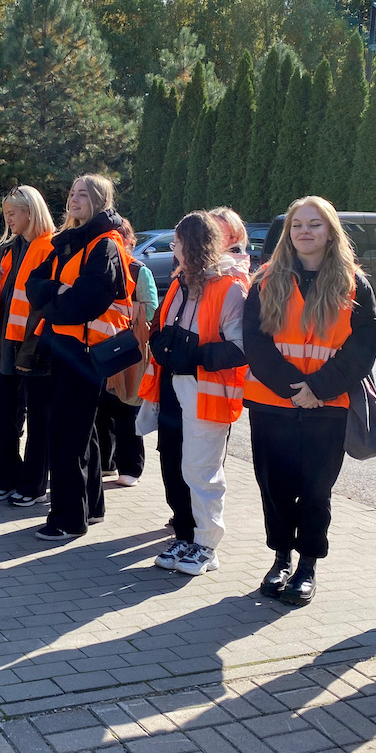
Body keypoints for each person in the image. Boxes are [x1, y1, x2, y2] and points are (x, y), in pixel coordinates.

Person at [243, 196, 376, 605]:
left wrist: (318, 388)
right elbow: (255, 342)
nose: (305, 231)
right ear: (288, 233)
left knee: (316, 490)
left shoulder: (355, 283)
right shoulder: (265, 279)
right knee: (275, 486)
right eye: (298, 225)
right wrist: (294, 388)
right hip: (273, 403)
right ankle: (281, 557)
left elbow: (363, 347)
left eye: (314, 225)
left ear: (330, 231)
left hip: (328, 405)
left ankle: (307, 566)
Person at [138, 211, 248, 575]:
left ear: (194, 246)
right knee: (172, 462)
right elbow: (162, 326)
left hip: (207, 391)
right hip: (173, 387)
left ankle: (207, 545)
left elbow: (241, 347)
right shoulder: (178, 283)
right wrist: (158, 342)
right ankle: (184, 534)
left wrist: (195, 355)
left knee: (201, 470)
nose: (174, 251)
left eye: (177, 244)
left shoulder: (230, 287)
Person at [26, 175, 133, 541]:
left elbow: (86, 300)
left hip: (85, 353)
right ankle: (91, 506)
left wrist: (52, 304)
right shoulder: (71, 242)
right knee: (80, 433)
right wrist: (57, 290)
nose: (74, 199)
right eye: (72, 193)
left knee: (67, 435)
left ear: (99, 201)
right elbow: (33, 284)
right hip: (67, 349)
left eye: (83, 194)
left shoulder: (103, 245)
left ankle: (68, 520)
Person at [0, 186, 56, 505]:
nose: (7, 219)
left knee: (37, 419)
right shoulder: (9, 249)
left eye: (12, 213)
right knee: (2, 415)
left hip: (34, 349)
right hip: (3, 348)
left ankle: (33, 485)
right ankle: (6, 477)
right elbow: (0, 296)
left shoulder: (52, 249)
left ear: (30, 213)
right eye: (6, 213)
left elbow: (46, 302)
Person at [96, 218, 158, 487]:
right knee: (102, 407)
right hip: (102, 344)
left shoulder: (138, 269)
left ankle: (131, 468)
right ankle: (105, 464)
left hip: (129, 346)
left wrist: (130, 312)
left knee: (127, 407)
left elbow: (152, 308)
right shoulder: (98, 267)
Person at [209, 206, 251, 279]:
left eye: (217, 234)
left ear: (235, 238)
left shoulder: (231, 273)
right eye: (207, 232)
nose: (209, 238)